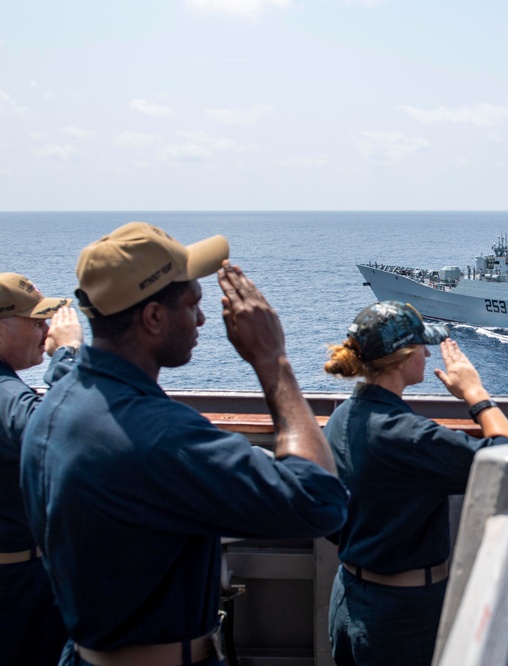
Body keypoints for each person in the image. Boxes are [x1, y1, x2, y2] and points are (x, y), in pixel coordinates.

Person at [20, 222, 350, 666]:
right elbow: (320, 502)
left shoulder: (56, 404)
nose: (202, 319)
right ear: (154, 318)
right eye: (193, 304)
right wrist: (273, 361)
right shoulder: (158, 436)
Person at [323, 300, 508, 666]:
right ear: (403, 358)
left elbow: (331, 520)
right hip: (402, 619)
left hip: (348, 599)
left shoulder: (340, 418)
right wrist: (475, 394)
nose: (429, 353)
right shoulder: (408, 436)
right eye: (422, 347)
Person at [0, 274, 83, 666]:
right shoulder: (5, 395)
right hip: (15, 587)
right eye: (35, 322)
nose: (46, 330)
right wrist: (66, 355)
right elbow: (56, 434)